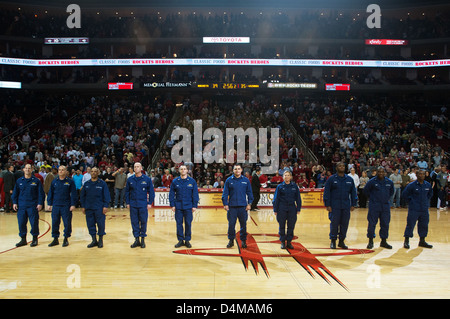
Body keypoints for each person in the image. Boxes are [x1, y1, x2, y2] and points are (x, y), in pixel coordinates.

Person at [323, 162, 357, 249]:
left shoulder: (349, 179)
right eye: (339, 166)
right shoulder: (331, 179)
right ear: (336, 168)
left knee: (344, 224)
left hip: (346, 205)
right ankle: (333, 241)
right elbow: (326, 192)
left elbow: (353, 192)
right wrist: (327, 204)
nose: (341, 167)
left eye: (343, 166)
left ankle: (341, 241)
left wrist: (353, 203)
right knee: (334, 223)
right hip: (334, 206)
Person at [12, 164, 45, 247]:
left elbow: (41, 193)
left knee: (34, 223)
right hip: (21, 206)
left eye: (29, 168)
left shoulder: (36, 181)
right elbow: (15, 193)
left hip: (32, 205)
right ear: (23, 170)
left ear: (32, 170)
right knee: (21, 223)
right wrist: (14, 202)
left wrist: (40, 203)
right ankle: (23, 239)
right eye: (26, 168)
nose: (27, 170)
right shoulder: (19, 181)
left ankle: (34, 239)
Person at [222, 163, 254, 249]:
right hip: (232, 207)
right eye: (235, 169)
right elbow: (225, 193)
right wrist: (225, 204)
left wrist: (249, 204)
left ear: (241, 170)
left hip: (243, 207)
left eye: (238, 169)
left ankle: (243, 241)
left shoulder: (246, 180)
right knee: (231, 225)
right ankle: (231, 240)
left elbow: (250, 193)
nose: (237, 170)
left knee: (243, 225)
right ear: (233, 170)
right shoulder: (229, 180)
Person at [125, 162, 155, 248]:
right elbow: (127, 192)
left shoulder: (147, 179)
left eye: (138, 166)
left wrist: (150, 203)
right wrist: (127, 202)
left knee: (143, 222)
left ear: (141, 168)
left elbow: (151, 192)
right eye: (135, 167)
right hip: (133, 204)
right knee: (134, 222)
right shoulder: (130, 179)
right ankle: (136, 239)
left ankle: (142, 240)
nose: (136, 168)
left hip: (143, 204)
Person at [363, 167, 395, 249]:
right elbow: (366, 191)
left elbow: (391, 192)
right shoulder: (372, 181)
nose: (381, 173)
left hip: (385, 206)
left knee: (385, 224)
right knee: (372, 224)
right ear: (376, 172)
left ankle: (383, 241)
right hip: (374, 205)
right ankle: (370, 241)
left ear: (385, 173)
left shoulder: (389, 182)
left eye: (382, 172)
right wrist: (373, 199)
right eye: (379, 172)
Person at [169, 164, 199, 248]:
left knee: (188, 223)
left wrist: (194, 205)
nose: (183, 170)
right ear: (179, 171)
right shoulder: (175, 181)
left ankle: (187, 240)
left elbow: (195, 194)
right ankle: (180, 240)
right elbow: (171, 194)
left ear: (187, 171)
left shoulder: (192, 181)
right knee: (179, 224)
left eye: (184, 169)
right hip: (178, 206)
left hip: (188, 206)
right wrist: (172, 204)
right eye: (181, 169)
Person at [47, 166, 78, 247]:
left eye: (62, 170)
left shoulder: (70, 182)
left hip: (66, 206)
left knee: (67, 223)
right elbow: (51, 193)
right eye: (59, 170)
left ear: (66, 171)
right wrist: (49, 204)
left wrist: (73, 204)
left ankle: (66, 238)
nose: (61, 171)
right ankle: (55, 238)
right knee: (55, 222)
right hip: (56, 205)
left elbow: (74, 194)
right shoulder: (54, 181)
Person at [402, 169, 433, 249]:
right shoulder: (411, 185)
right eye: (419, 174)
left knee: (424, 225)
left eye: (423, 174)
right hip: (414, 209)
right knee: (410, 225)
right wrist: (411, 202)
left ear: (425, 175)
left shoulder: (428, 185)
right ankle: (406, 241)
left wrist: (425, 202)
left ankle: (422, 241)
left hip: (424, 209)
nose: (421, 175)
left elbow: (430, 194)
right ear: (417, 175)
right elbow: (405, 195)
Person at [80, 167, 111, 248]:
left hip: (99, 208)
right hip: (89, 208)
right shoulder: (86, 184)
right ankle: (94, 240)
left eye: (95, 171)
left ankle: (100, 240)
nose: (93, 173)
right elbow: (82, 196)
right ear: (90, 173)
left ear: (98, 173)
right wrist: (83, 206)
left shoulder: (102, 183)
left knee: (101, 224)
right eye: (92, 171)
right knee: (90, 224)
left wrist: (105, 206)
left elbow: (106, 195)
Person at [272, 170, 302, 249]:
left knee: (291, 226)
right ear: (283, 177)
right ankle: (282, 242)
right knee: (281, 225)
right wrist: (275, 209)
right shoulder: (280, 186)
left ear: (291, 177)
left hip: (292, 208)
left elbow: (298, 198)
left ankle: (289, 242)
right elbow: (276, 199)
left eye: (288, 175)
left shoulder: (294, 186)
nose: (287, 177)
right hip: (282, 208)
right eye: (285, 175)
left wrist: (298, 208)